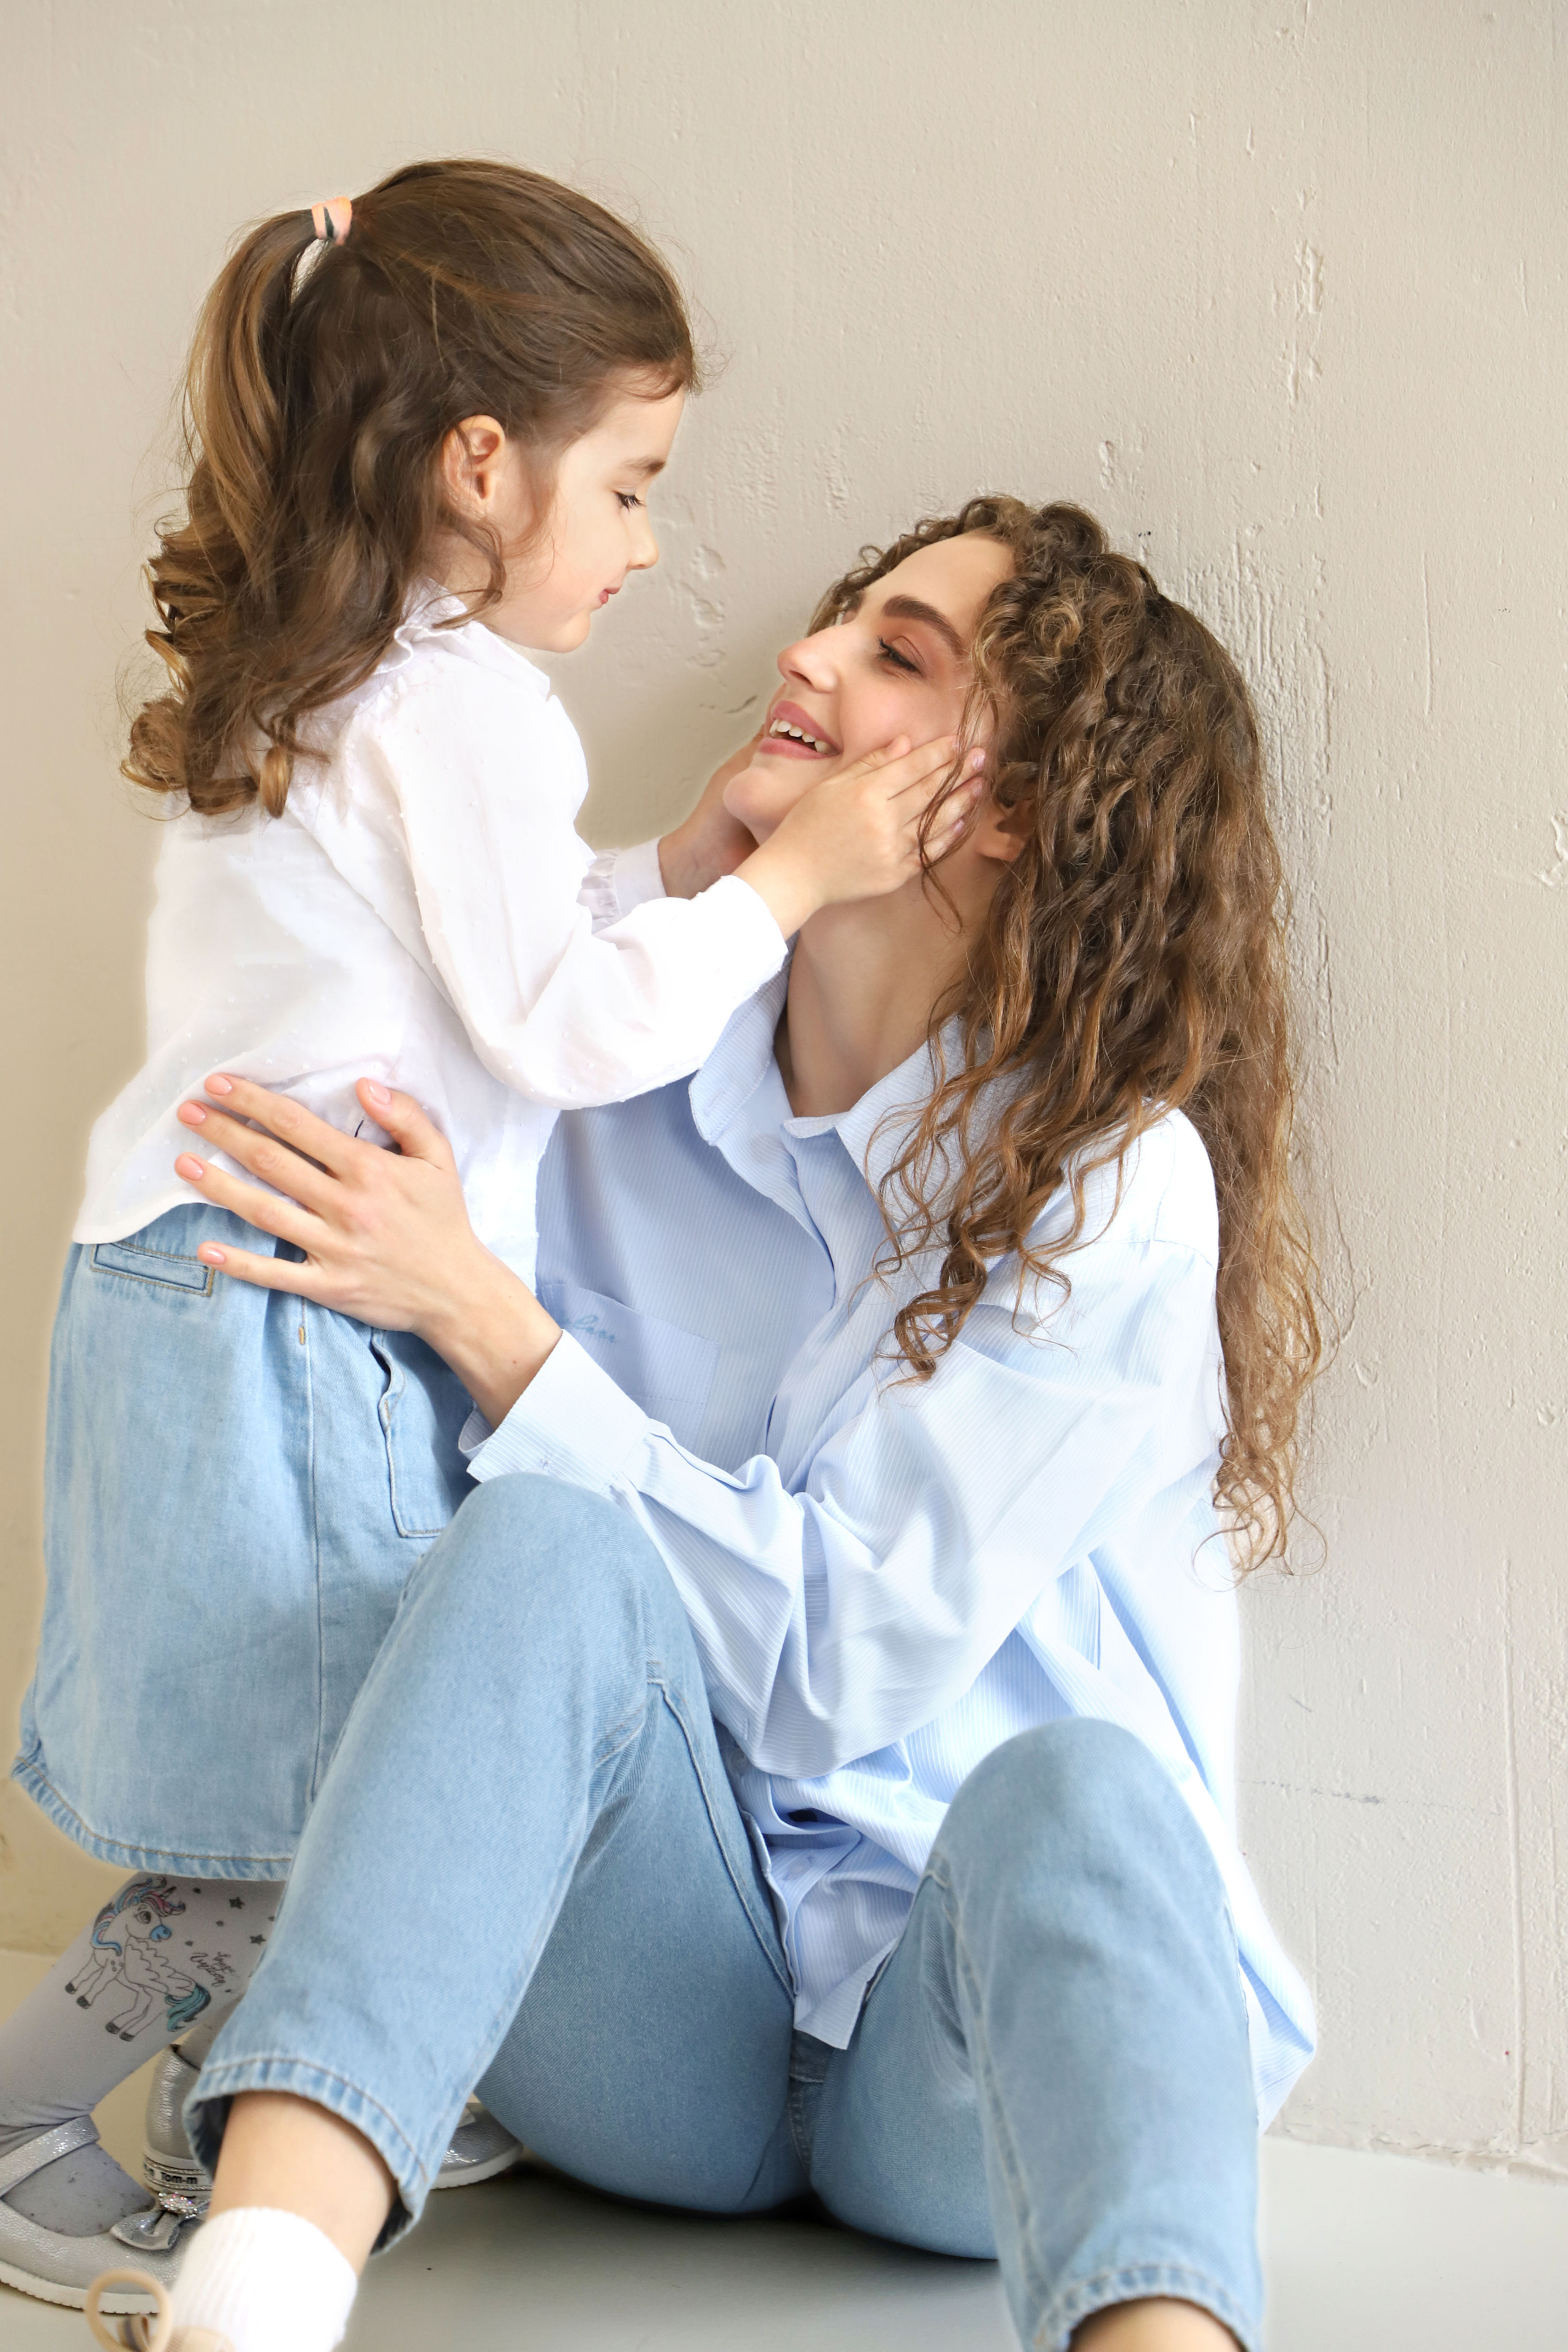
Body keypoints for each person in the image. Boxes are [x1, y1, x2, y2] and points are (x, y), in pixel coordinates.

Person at [86, 499, 1321, 2352]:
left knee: (1086, 1784)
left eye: (897, 655)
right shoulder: (589, 1066)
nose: (802, 662)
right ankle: (249, 2302)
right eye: (837, 622)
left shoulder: (1109, 1188)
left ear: (1013, 808)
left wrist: (496, 1332)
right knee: (547, 1540)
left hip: (966, 2070)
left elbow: (840, 1663)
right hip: (659, 2027)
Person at [0, 160, 979, 2312]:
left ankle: (170, 2129)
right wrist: (792, 883)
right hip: (288, 1316)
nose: (648, 547)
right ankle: (55, 2122)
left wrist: (688, 857)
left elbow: (485, 983)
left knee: (310, 1790)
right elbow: (571, 1030)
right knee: (362, 1788)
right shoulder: (460, 707)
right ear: (480, 464)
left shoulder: (372, 678)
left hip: (216, 1288)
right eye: (628, 488)